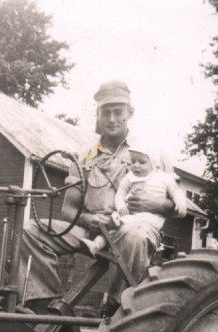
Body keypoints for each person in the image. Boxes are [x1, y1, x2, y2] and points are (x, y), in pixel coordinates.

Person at [17, 79, 176, 317]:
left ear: (129, 113)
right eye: (106, 112)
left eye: (118, 113)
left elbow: (176, 205)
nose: (112, 119)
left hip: (134, 228)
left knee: (134, 236)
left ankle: (116, 310)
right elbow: (68, 211)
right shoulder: (84, 158)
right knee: (30, 229)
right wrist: (89, 220)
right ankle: (44, 306)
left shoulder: (151, 153)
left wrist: (153, 204)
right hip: (91, 233)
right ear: (98, 114)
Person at [80, 141, 187, 256]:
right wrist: (121, 207)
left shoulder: (164, 178)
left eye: (142, 162)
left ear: (153, 163)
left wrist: (180, 202)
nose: (136, 165)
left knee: (124, 227)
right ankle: (96, 245)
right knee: (113, 228)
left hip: (151, 217)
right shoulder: (130, 177)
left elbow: (176, 191)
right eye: (133, 161)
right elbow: (120, 194)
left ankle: (116, 245)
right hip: (131, 214)